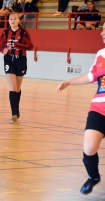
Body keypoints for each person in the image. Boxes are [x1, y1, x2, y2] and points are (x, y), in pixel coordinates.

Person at [56, 24, 105, 195]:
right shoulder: (101, 54)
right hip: (99, 108)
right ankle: (94, 177)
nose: (102, 32)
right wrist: (69, 82)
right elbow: (91, 77)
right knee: (88, 150)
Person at [0, 12, 33, 122]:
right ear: (8, 21)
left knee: (17, 87)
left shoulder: (24, 32)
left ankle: (17, 109)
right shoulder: (5, 32)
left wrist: (19, 46)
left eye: (15, 19)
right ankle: (14, 112)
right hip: (8, 60)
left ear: (18, 20)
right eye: (11, 19)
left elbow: (30, 46)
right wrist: (3, 50)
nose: (13, 20)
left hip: (21, 60)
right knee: (12, 86)